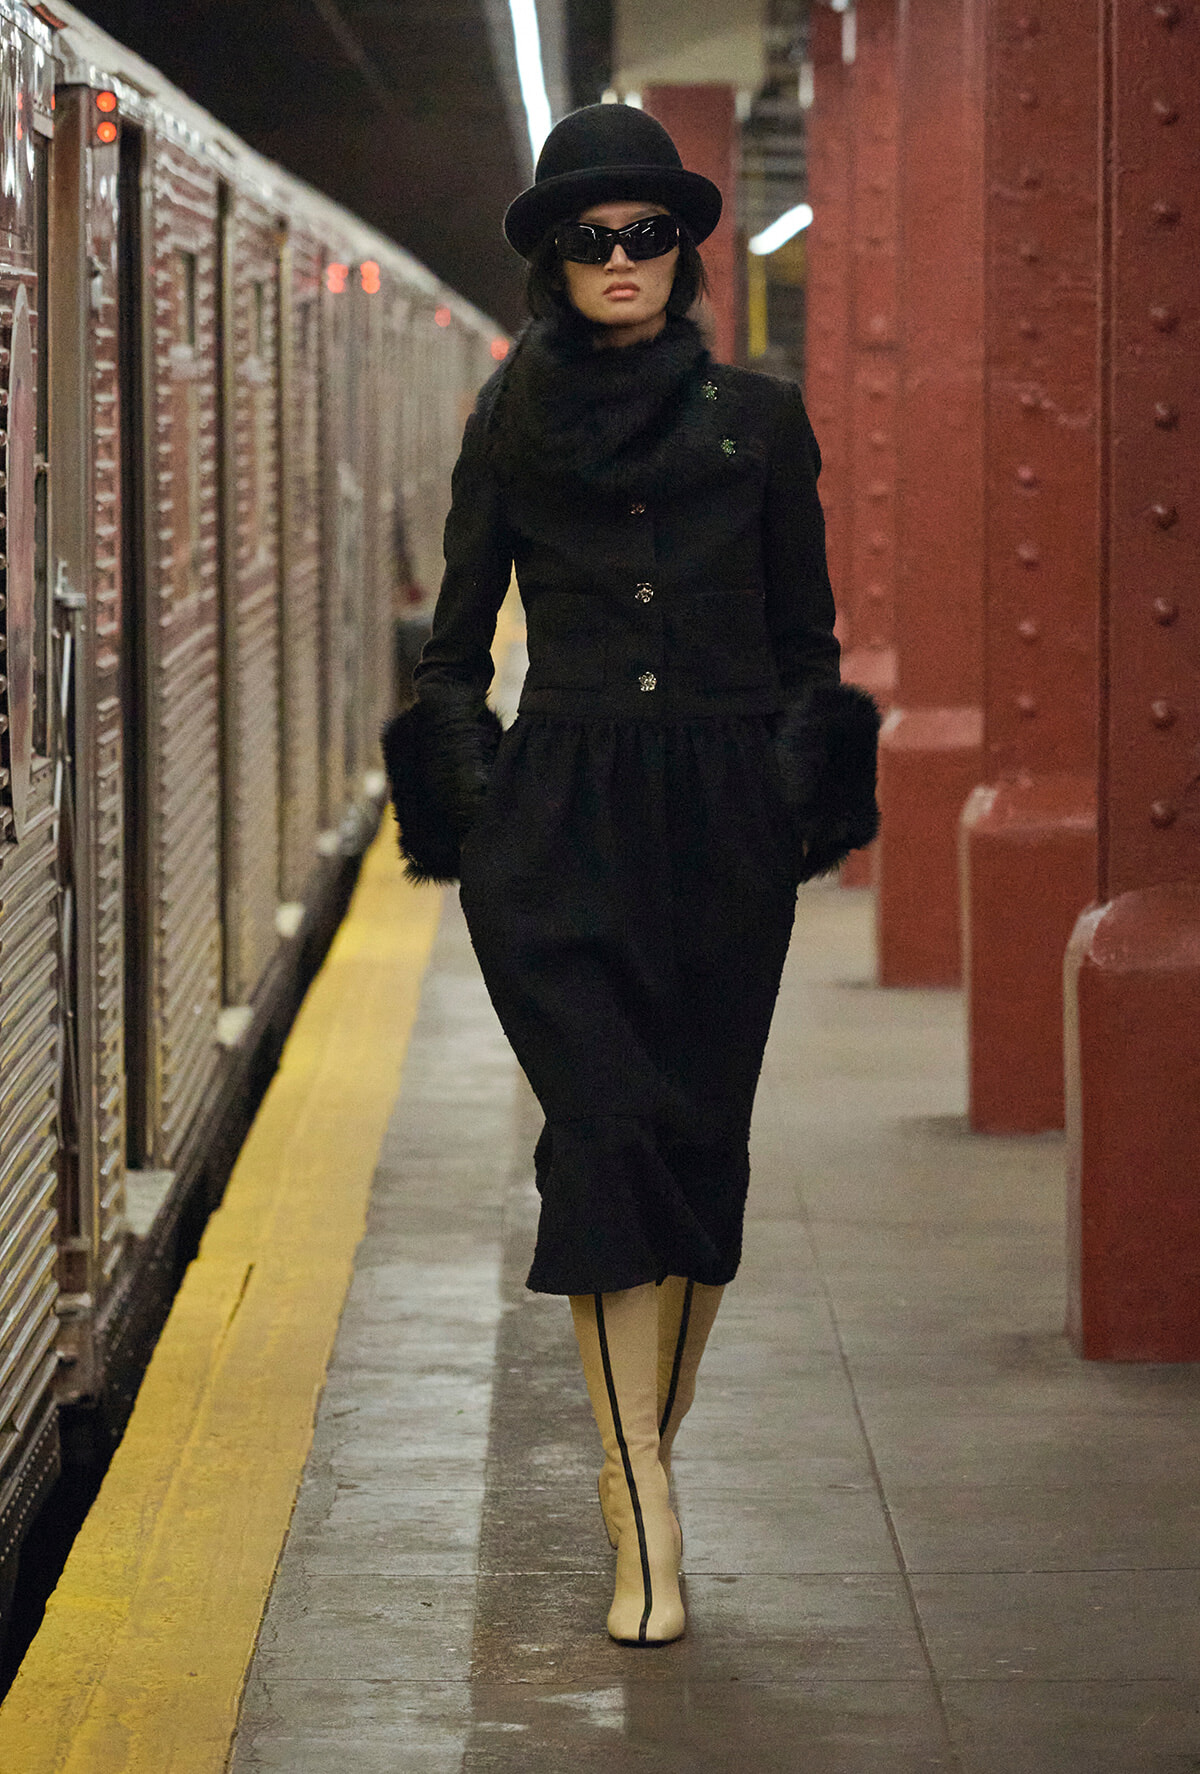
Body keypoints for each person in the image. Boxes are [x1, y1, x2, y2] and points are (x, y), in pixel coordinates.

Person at [382, 103, 879, 1648]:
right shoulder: (507, 425)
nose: (620, 258)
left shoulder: (761, 419)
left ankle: (642, 1459)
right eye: (589, 237)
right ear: (553, 260)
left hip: (725, 822)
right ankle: (642, 1511)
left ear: (681, 250)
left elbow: (810, 648)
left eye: (645, 233)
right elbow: (453, 653)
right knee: (601, 1138)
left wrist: (797, 801)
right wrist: (473, 813)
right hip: (564, 829)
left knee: (697, 1153)